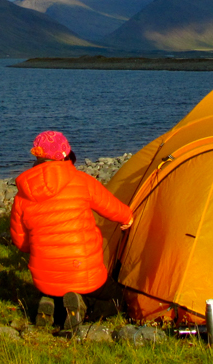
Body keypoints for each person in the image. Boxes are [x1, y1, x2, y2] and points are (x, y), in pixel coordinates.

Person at [10, 130, 133, 331]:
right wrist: (127, 217)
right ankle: (80, 310)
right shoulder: (81, 180)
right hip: (83, 270)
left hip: (45, 278)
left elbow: (21, 242)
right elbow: (110, 206)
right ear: (66, 154)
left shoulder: (23, 193)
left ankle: (51, 306)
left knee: (57, 291)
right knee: (117, 301)